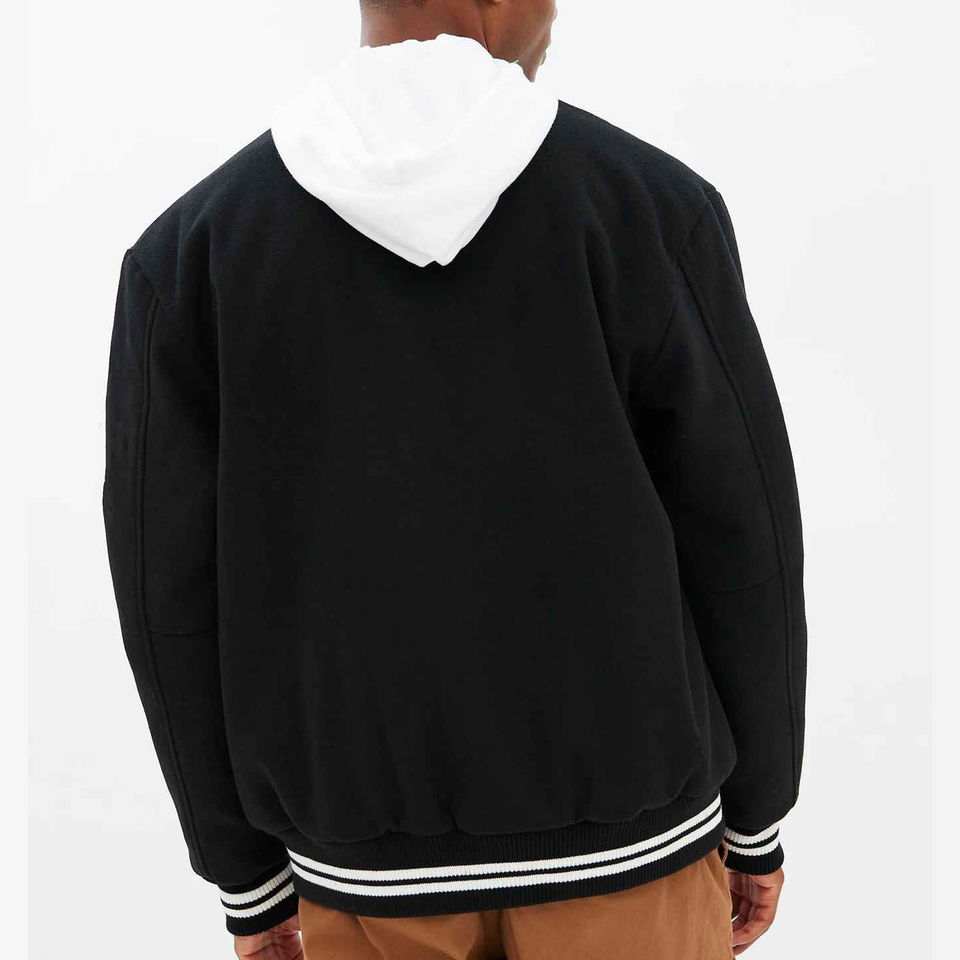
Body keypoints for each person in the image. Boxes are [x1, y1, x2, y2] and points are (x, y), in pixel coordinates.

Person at [103, 1, 807, 957]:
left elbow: (168, 599)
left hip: (365, 882)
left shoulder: (193, 253)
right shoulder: (647, 207)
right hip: (635, 855)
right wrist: (758, 812)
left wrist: (245, 875)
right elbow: (745, 535)